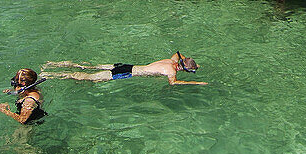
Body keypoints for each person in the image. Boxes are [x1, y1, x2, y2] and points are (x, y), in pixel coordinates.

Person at [41, 51, 206, 87]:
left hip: (127, 65)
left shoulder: (171, 61)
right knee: (85, 76)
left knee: (88, 66)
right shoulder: (172, 72)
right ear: (183, 69)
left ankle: (52, 63)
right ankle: (51, 75)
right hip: (126, 73)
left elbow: (178, 53)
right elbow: (174, 83)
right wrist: (196, 83)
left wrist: (192, 63)